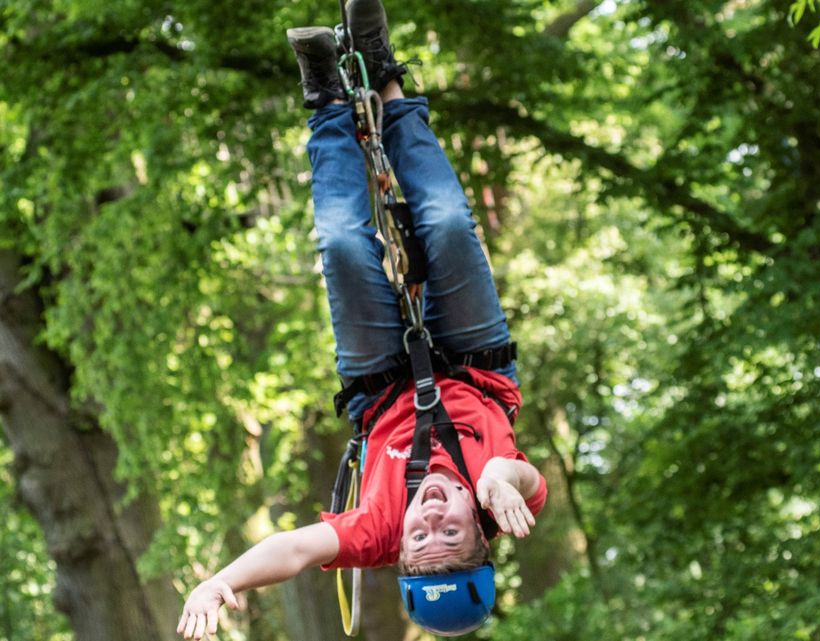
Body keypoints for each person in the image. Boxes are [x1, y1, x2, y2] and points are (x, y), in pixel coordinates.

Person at [176, 1, 547, 638]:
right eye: (449, 530)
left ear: (397, 551)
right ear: (484, 533)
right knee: (449, 227)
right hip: (477, 363)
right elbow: (513, 474)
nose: (430, 514)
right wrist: (493, 478)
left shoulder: (374, 529)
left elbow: (295, 549)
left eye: (420, 536)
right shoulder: (506, 498)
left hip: (377, 384)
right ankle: (384, 77)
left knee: (345, 248)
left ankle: (324, 101)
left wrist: (221, 580)